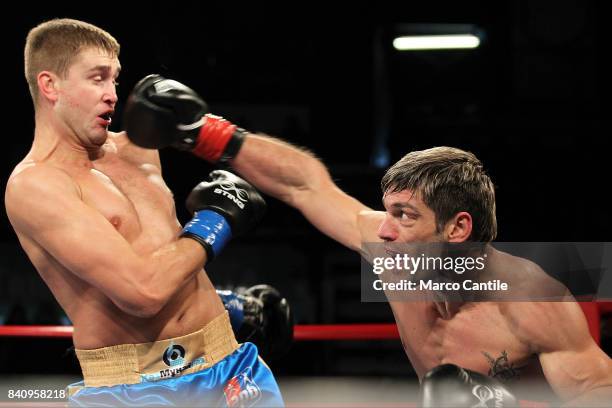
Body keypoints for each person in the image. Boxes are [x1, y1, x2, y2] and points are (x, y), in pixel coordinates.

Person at [123, 74, 612, 406]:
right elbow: (306, 185)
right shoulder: (398, 257)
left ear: (457, 229)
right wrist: (204, 134)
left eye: (404, 216)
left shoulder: (533, 303)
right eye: (387, 210)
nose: (383, 229)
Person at [5, 19, 285, 407]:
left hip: (231, 365)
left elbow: (159, 245)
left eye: (115, 80)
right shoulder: (35, 186)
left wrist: (223, 305)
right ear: (50, 85)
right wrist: (216, 219)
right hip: (133, 388)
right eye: (97, 79)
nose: (112, 95)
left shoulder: (138, 150)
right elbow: (143, 292)